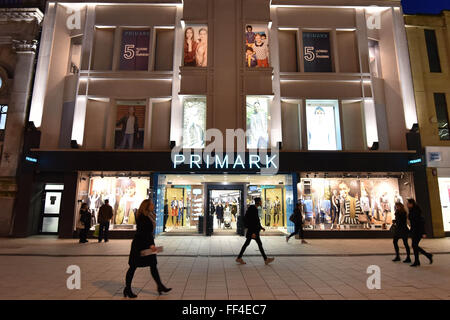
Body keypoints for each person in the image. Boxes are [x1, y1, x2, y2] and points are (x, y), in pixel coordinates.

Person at [124, 199, 171, 298]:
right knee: (133, 266)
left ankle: (160, 285)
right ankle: (127, 289)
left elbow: (148, 232)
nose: (153, 205)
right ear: (147, 206)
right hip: (140, 244)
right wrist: (150, 245)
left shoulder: (149, 215)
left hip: (148, 242)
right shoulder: (142, 217)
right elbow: (143, 233)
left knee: (153, 265)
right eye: (151, 204)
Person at [236, 197, 274, 265]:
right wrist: (253, 232)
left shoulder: (253, 209)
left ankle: (239, 258)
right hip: (253, 231)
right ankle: (265, 259)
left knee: (249, 244)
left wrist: (261, 227)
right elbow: (253, 221)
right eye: (261, 201)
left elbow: (256, 221)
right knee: (257, 244)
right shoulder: (253, 209)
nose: (261, 202)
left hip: (253, 230)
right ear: (258, 202)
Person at [407, 199, 433, 267]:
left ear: (412, 204)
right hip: (414, 231)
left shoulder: (416, 212)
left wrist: (423, 232)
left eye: (408, 203)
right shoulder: (412, 211)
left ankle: (426, 256)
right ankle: (418, 260)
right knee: (414, 246)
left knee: (414, 245)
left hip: (418, 231)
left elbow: (421, 223)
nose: (407, 204)